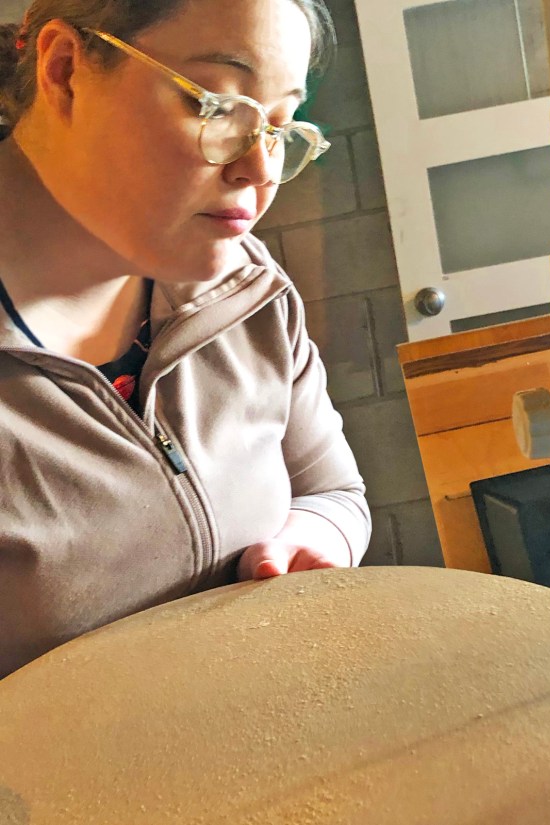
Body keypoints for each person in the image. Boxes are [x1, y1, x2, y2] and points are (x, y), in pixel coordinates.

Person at [0, 0, 371, 679]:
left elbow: (332, 493)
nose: (259, 169)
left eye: (280, 126)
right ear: (65, 69)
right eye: (216, 107)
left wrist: (314, 541)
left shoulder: (248, 289)